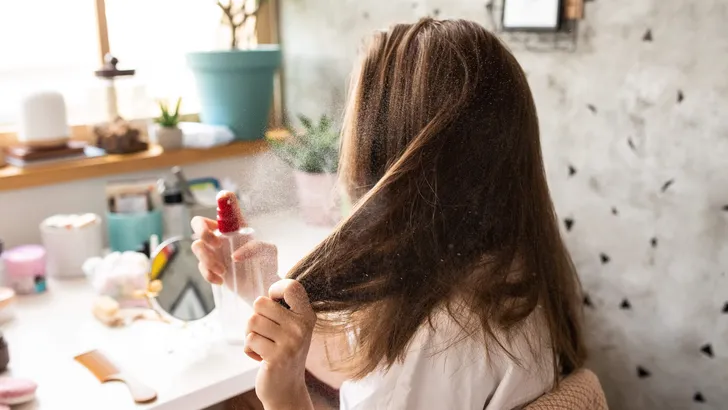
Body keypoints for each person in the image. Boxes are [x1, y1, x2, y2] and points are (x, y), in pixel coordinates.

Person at [191, 18, 586, 410]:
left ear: (391, 153)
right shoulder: (497, 276)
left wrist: (286, 398)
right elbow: (370, 368)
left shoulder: (442, 336)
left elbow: (399, 374)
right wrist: (258, 286)